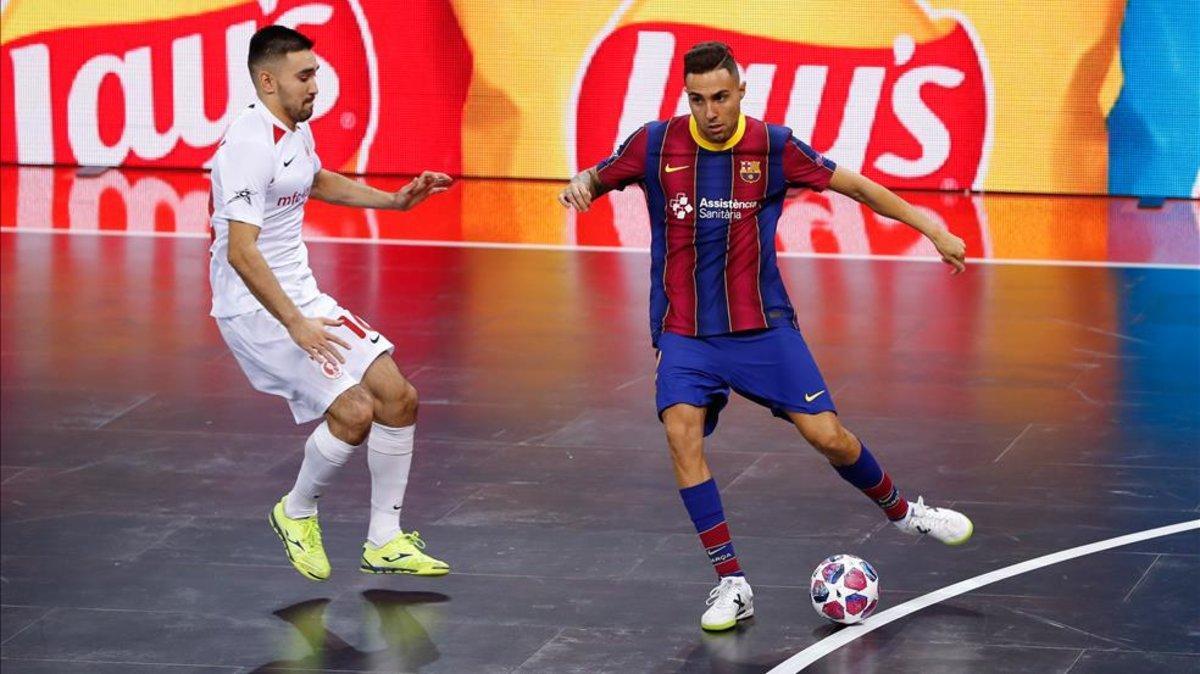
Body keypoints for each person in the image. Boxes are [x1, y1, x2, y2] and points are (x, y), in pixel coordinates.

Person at [558, 42, 973, 631]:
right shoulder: (655, 143)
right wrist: (581, 184)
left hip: (762, 328)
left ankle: (905, 513)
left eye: (721, 97)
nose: (711, 112)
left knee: (829, 438)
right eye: (698, 100)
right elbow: (595, 177)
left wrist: (932, 228)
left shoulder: (774, 146)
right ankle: (731, 581)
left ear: (741, 91)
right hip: (686, 332)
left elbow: (855, 187)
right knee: (682, 432)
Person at [209, 25, 451, 581]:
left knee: (398, 397)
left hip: (301, 295)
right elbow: (242, 253)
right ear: (268, 81)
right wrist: (295, 324)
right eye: (305, 75)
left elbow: (313, 180)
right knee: (355, 411)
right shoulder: (248, 145)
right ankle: (295, 512)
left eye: (315, 72)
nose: (317, 84)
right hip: (256, 309)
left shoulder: (291, 132)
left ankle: (385, 541)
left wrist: (394, 203)